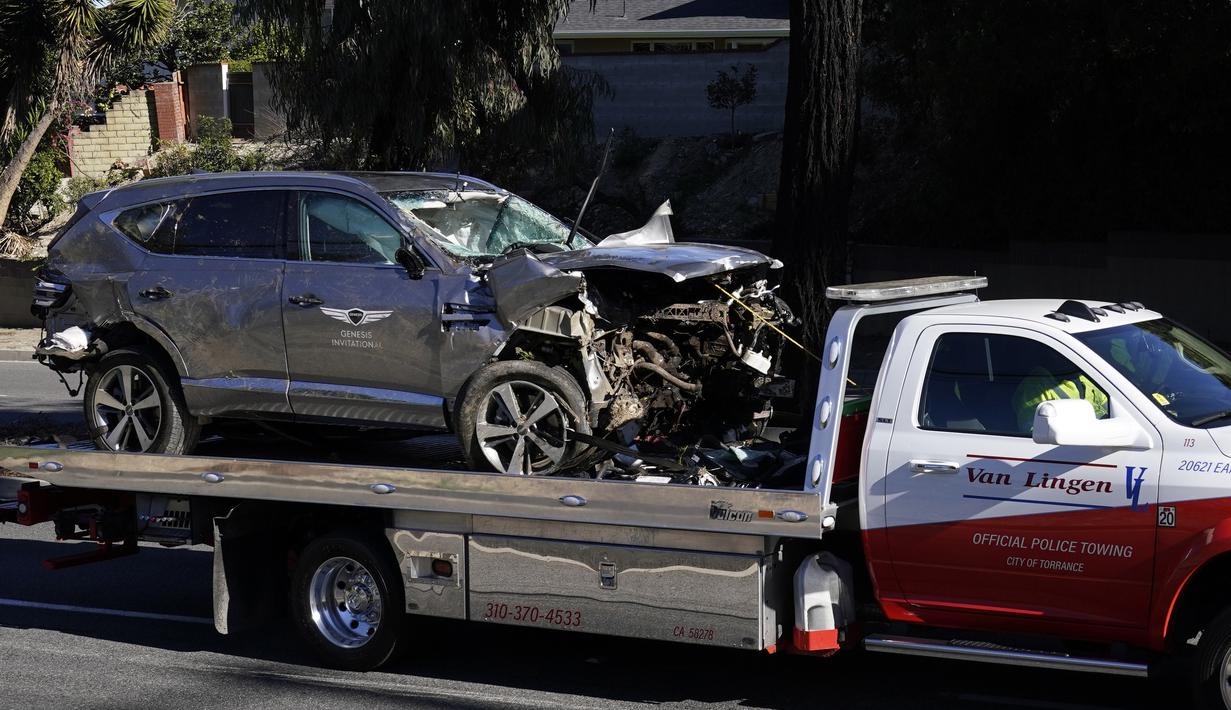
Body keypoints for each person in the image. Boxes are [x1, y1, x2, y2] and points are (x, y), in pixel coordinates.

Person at [1012, 366, 1109, 433]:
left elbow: (1110, 406)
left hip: (1099, 437)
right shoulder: (1036, 385)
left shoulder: (1087, 375)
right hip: (1067, 448)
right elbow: (1033, 430)